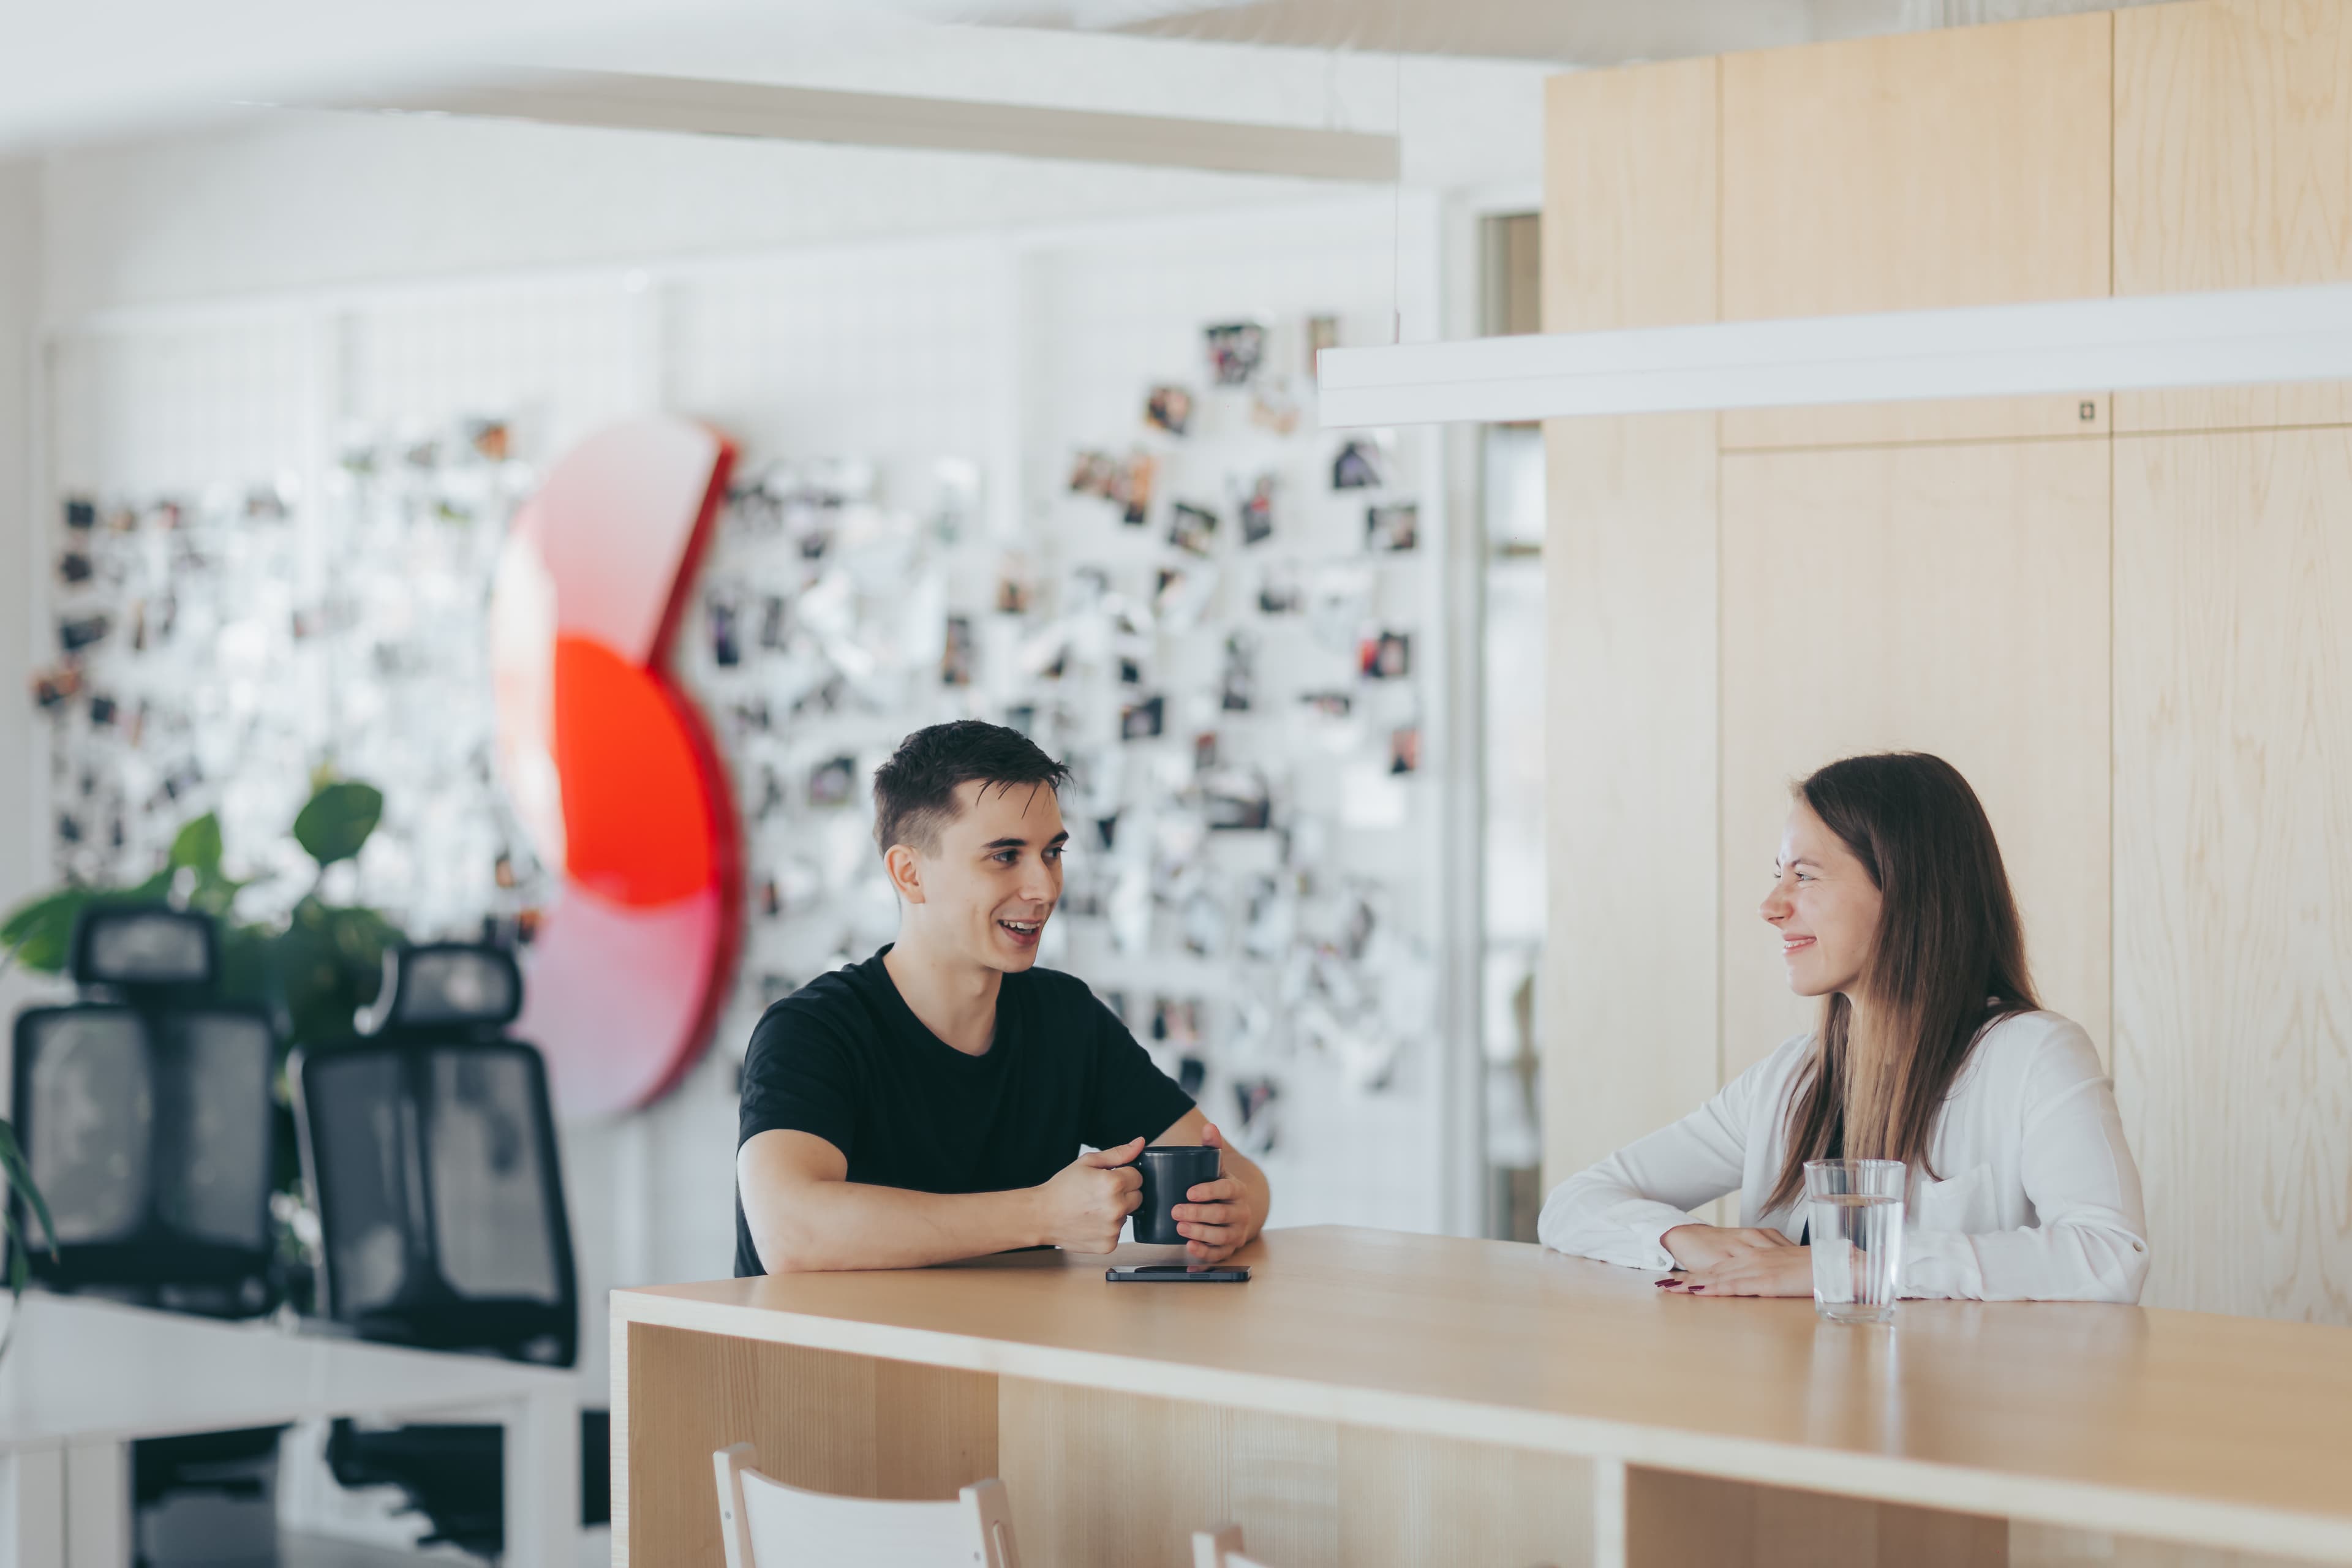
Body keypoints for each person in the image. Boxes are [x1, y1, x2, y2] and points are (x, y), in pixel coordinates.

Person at [1539, 752, 2149, 1303]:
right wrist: (1684, 1237)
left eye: (1804, 875)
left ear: (1906, 888)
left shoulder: (2035, 1055)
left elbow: (2110, 1254)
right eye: (1778, 874)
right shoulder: (1789, 1079)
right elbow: (1573, 1204)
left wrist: (1852, 1268)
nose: (1772, 906)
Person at [735, 719, 1272, 1275]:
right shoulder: (811, 1031)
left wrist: (1233, 1210)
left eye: (1052, 853)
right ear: (909, 874)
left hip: (991, 1356)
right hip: (821, 1363)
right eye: (1005, 856)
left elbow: (1243, 1176)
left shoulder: (1065, 1020)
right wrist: (1041, 1215)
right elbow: (790, 1234)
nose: (1043, 889)